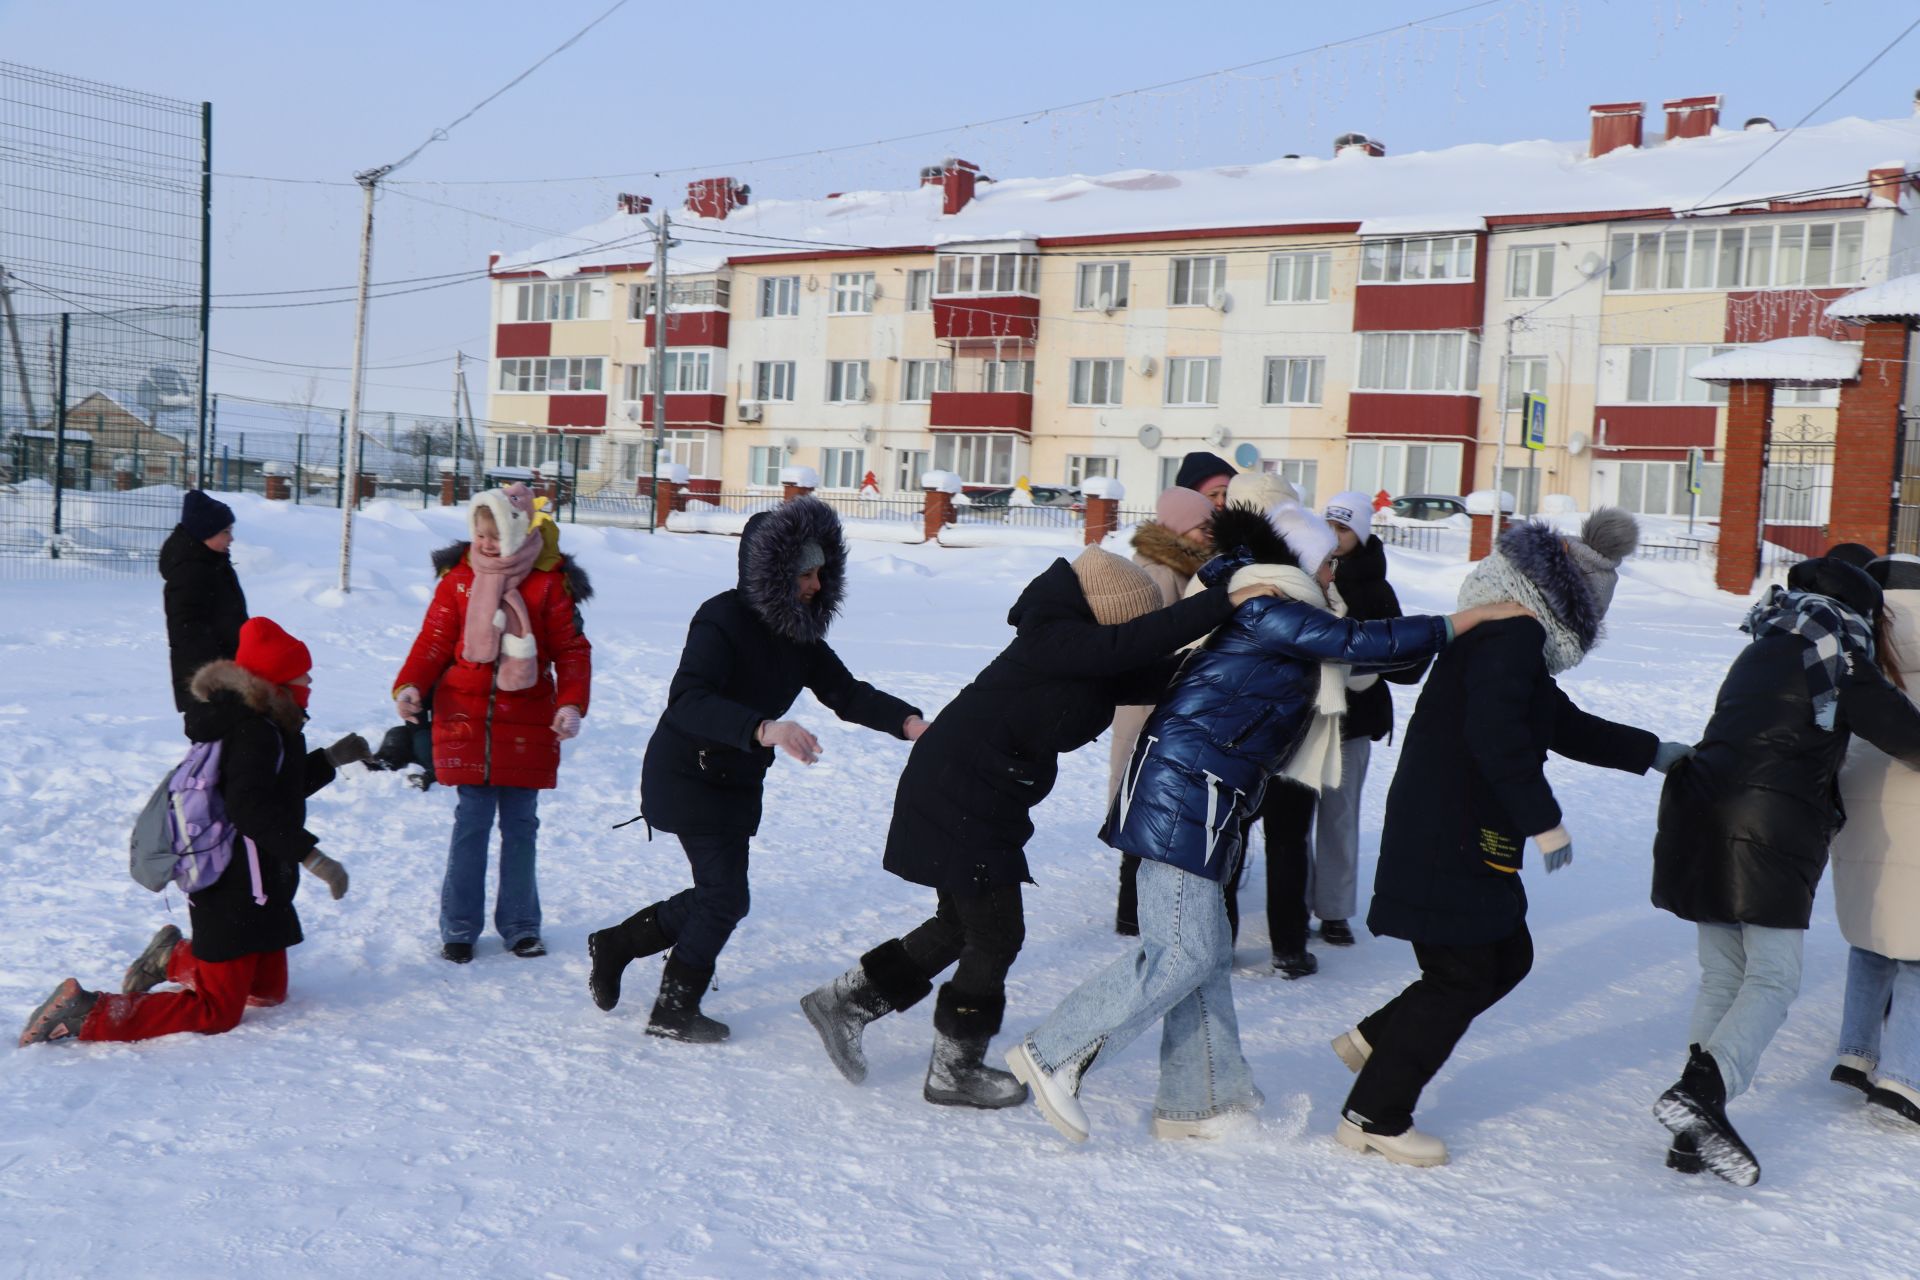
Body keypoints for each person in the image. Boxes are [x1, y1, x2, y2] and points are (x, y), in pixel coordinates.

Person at [1005, 503, 1525, 1144]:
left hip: (1208, 794)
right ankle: (1053, 1052)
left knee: (1205, 954)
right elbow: (1360, 643)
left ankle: (1200, 1101)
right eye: (1328, 557)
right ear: (1304, 558)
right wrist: (1467, 619)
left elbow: (1362, 658)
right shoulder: (1270, 605)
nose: (1337, 568)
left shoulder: (1279, 602)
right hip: (1184, 793)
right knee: (1185, 953)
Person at [800, 546, 1274, 1108]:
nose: (1129, 636)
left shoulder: (1081, 654)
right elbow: (1129, 646)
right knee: (996, 933)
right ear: (1107, 615)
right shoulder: (1055, 638)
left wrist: (1229, 659)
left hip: (976, 793)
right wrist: (1225, 602)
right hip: (959, 793)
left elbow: (1144, 670)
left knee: (961, 926)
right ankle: (955, 1069)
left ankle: (846, 1002)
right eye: (1127, 625)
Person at [1335, 510, 1684, 1169]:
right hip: (1451, 829)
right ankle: (1373, 1114)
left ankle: (1379, 1037)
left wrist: (1657, 753)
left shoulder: (1508, 636)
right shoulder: (1512, 638)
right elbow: (1496, 735)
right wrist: (1543, 820)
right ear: (1573, 608)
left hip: (1465, 827)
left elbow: (1561, 723)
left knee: (1507, 955)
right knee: (1461, 974)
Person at [589, 497, 921, 1043]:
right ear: (772, 573)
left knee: (722, 895)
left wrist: (909, 724)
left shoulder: (800, 636)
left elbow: (846, 692)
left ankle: (619, 944)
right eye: (805, 575)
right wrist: (765, 728)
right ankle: (674, 1008)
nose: (815, 586)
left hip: (735, 779)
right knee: (723, 895)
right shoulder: (720, 618)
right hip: (686, 770)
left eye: (820, 574)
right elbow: (687, 700)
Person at [1651, 555, 1920, 1184]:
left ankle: (1692, 1129)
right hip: (1765, 830)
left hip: (1697, 815)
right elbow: (1908, 737)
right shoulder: (1839, 658)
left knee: (1722, 975)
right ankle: (1705, 1095)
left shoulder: (1761, 646)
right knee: (1772, 979)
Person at [20, 618, 367, 1046]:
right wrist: (313, 858)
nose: (310, 678)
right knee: (217, 1011)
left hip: (260, 880)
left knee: (268, 991)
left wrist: (330, 759)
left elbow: (273, 790)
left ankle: (171, 956)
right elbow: (250, 808)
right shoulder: (253, 731)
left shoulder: (274, 723)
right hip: (231, 883)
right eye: (301, 671)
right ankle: (87, 1011)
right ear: (277, 678)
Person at [393, 484, 592, 964]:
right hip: (465, 717)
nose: (484, 543)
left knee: (521, 826)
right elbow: (434, 640)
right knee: (472, 824)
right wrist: (409, 685)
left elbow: (571, 651)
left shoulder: (547, 583)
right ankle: (459, 928)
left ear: (518, 530)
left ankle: (521, 925)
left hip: (527, 722)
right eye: (478, 533)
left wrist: (570, 705)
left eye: (494, 533)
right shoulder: (459, 579)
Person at [1830, 554, 1920, 1129]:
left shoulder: (1854, 636)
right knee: (1917, 955)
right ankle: (1905, 1078)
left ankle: (1854, 1054)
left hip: (1859, 801)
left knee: (1873, 936)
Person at [1112, 485, 1217, 936]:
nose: (1209, 532)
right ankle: (1131, 911)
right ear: (1177, 527)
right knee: (1141, 802)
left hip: (1164, 700)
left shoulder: (1189, 565)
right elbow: (1155, 639)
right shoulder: (1159, 570)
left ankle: (1138, 909)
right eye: (1202, 524)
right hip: (1147, 703)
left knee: (1152, 803)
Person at [161, 490, 247, 736]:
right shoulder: (190, 572)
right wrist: (213, 679)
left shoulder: (214, 562)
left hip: (225, 669)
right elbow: (186, 631)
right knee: (215, 747)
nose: (231, 539)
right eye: (225, 532)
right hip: (207, 680)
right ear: (204, 533)